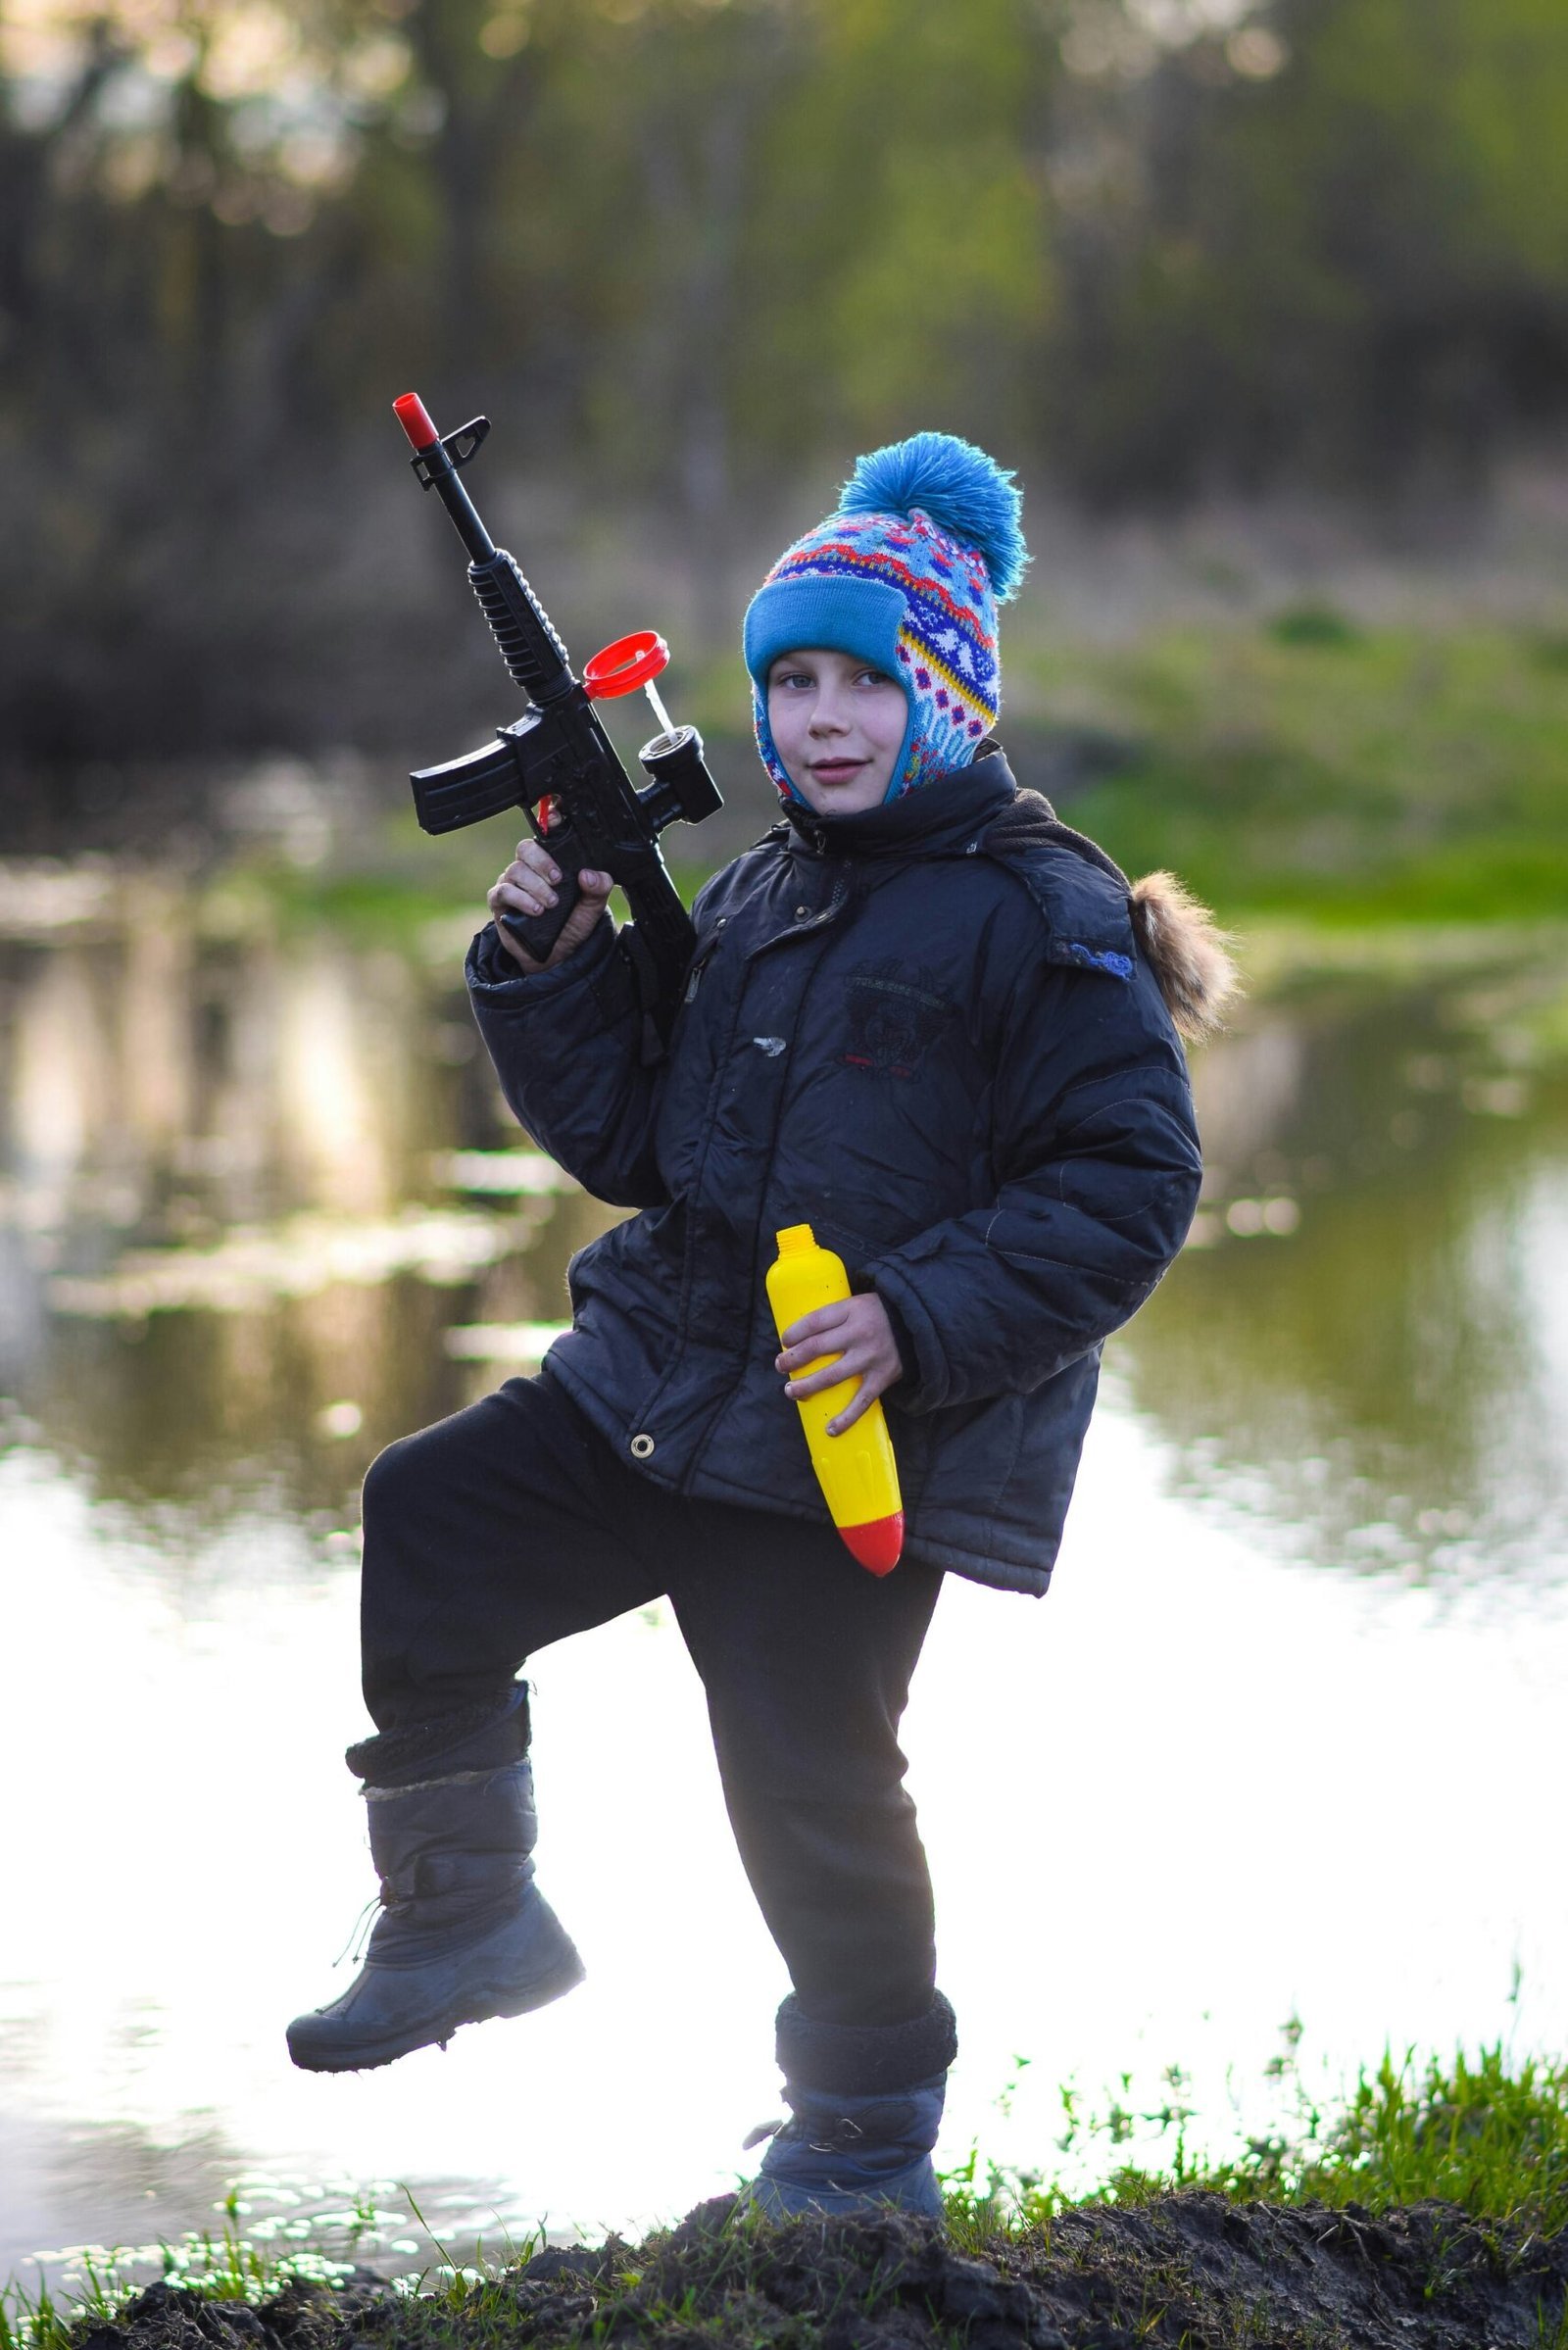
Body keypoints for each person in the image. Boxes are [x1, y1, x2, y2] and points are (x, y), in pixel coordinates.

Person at [285, 432, 1234, 2218]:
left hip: (851, 1433)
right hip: (665, 1376)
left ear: (946, 691)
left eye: (863, 681)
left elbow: (1128, 1187)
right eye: (790, 680)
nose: (820, 717)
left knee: (805, 1775)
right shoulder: (761, 891)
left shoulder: (1043, 919)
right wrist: (553, 974)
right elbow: (649, 1146)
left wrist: (911, 1320)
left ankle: (866, 2142)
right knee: (431, 1523)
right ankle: (467, 1912)